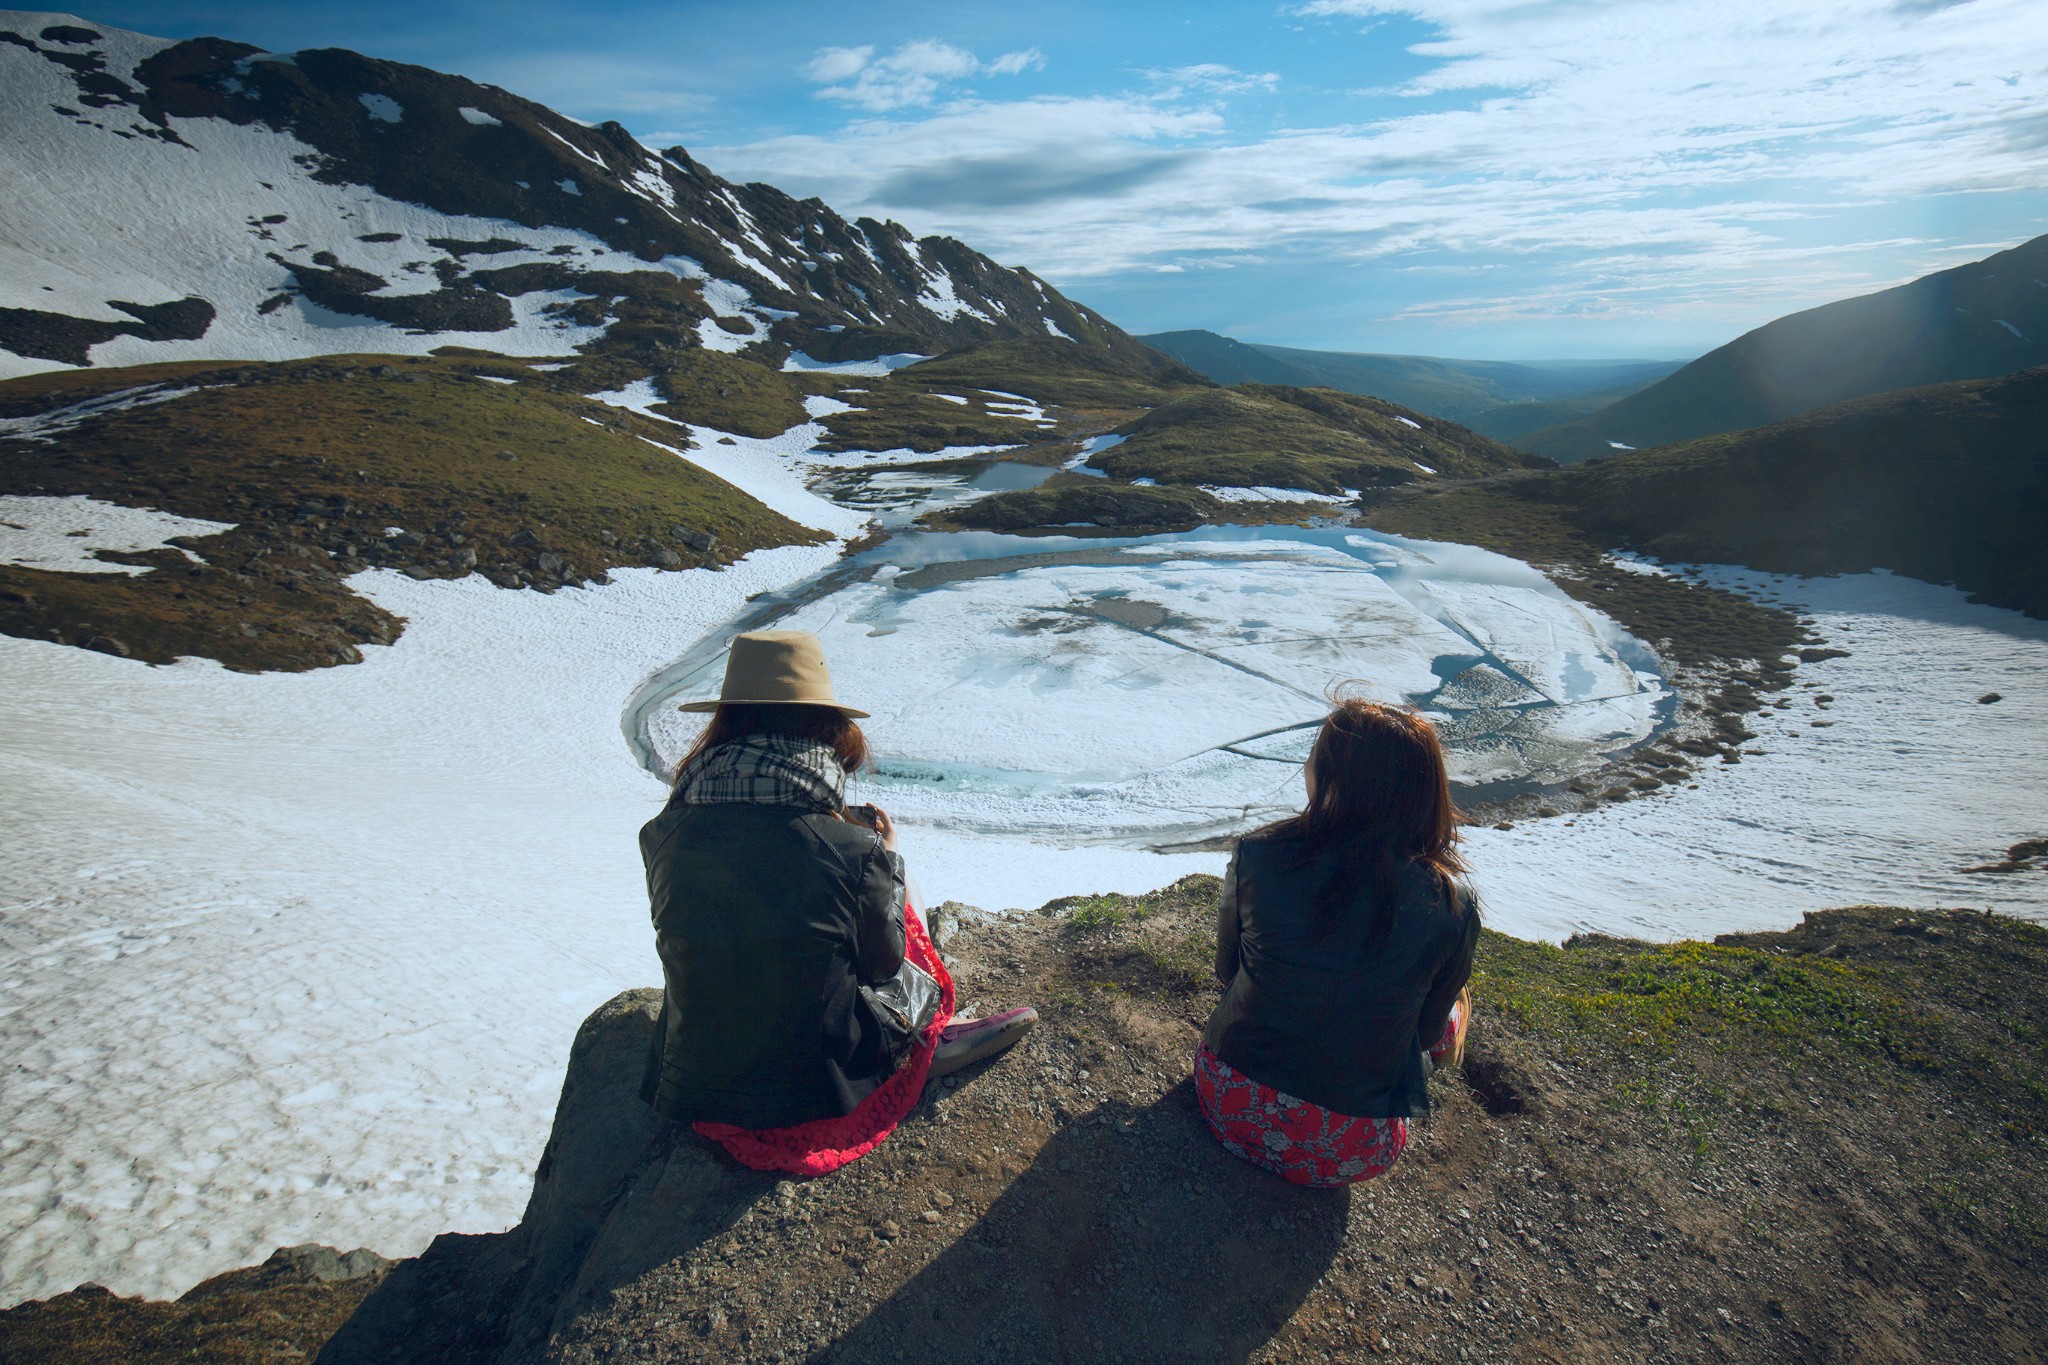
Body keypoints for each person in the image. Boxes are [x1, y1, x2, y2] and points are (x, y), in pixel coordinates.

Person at [639, 629, 1036, 1176]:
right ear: (828, 729)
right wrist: (886, 859)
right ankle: (923, 1043)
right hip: (820, 1086)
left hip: (695, 1079)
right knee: (898, 910)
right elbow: (882, 963)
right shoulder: (853, 848)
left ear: (724, 724)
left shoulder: (661, 831)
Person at [1196, 698, 1479, 1187]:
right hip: (1351, 1148)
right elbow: (1426, 1033)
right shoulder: (1450, 904)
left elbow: (1228, 971)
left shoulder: (1259, 857)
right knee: (1452, 1009)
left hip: (1231, 1101)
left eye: (1315, 757)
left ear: (1332, 781)